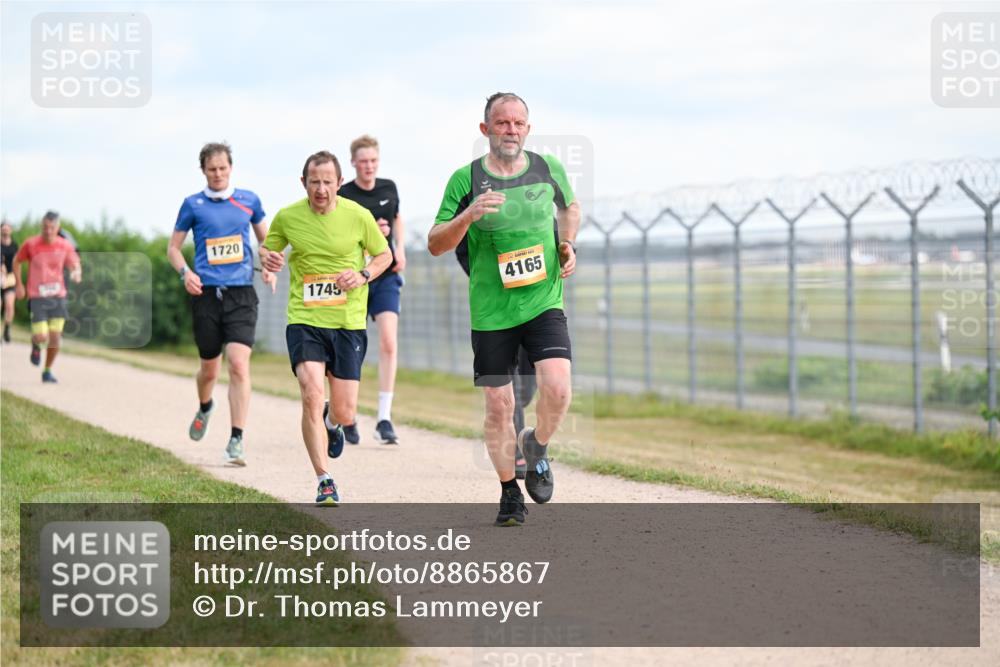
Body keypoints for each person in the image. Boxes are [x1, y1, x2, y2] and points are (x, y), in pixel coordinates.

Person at [428, 92, 580, 525]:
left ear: (527, 129)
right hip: (492, 312)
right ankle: (509, 492)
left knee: (558, 390)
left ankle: (537, 444)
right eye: (501, 123)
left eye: (517, 123)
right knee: (498, 405)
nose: (510, 130)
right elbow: (436, 243)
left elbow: (569, 206)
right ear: (485, 129)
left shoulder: (547, 168)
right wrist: (469, 216)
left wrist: (567, 243)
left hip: (543, 300)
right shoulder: (465, 180)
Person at [260, 150, 391, 506]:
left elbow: (385, 257)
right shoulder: (287, 217)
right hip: (305, 319)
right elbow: (269, 251)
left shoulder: (359, 216)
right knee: (311, 391)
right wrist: (267, 258)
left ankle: (331, 424)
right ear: (303, 183)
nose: (321, 189)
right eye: (314, 182)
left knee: (345, 411)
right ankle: (324, 478)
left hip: (348, 322)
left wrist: (363, 274)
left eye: (327, 182)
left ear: (340, 183)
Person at [167, 142, 276, 467]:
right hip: (206, 296)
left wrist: (269, 268)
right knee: (209, 370)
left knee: (239, 364)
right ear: (204, 170)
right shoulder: (193, 205)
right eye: (212, 169)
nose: (218, 174)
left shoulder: (248, 201)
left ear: (231, 168)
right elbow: (172, 249)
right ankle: (205, 406)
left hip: (241, 294)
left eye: (223, 168)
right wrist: (186, 273)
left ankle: (236, 439)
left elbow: (266, 242)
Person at [338, 135, 406, 445]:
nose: (369, 167)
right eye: (363, 162)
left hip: (385, 273)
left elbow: (396, 218)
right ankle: (346, 414)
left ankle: (384, 418)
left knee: (389, 342)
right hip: (355, 277)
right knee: (352, 346)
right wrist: (370, 235)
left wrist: (399, 248)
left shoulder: (389, 188)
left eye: (373, 161)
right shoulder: (344, 194)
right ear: (353, 163)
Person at [12, 211, 82, 382]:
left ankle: (47, 371)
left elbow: (75, 264)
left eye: (52, 227)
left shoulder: (64, 245)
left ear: (58, 228)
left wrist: (76, 273)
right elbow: (16, 261)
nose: (48, 231)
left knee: (55, 337)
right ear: (41, 226)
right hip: (37, 296)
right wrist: (19, 284)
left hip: (58, 296)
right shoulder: (31, 244)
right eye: (45, 227)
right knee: (42, 336)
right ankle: (36, 344)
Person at [1, 220, 19, 343]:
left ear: (11, 230)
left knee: (9, 306)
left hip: (10, 278)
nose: (6, 230)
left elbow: (17, 263)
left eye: (8, 228)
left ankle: (7, 329)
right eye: (3, 228)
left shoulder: (14, 245)